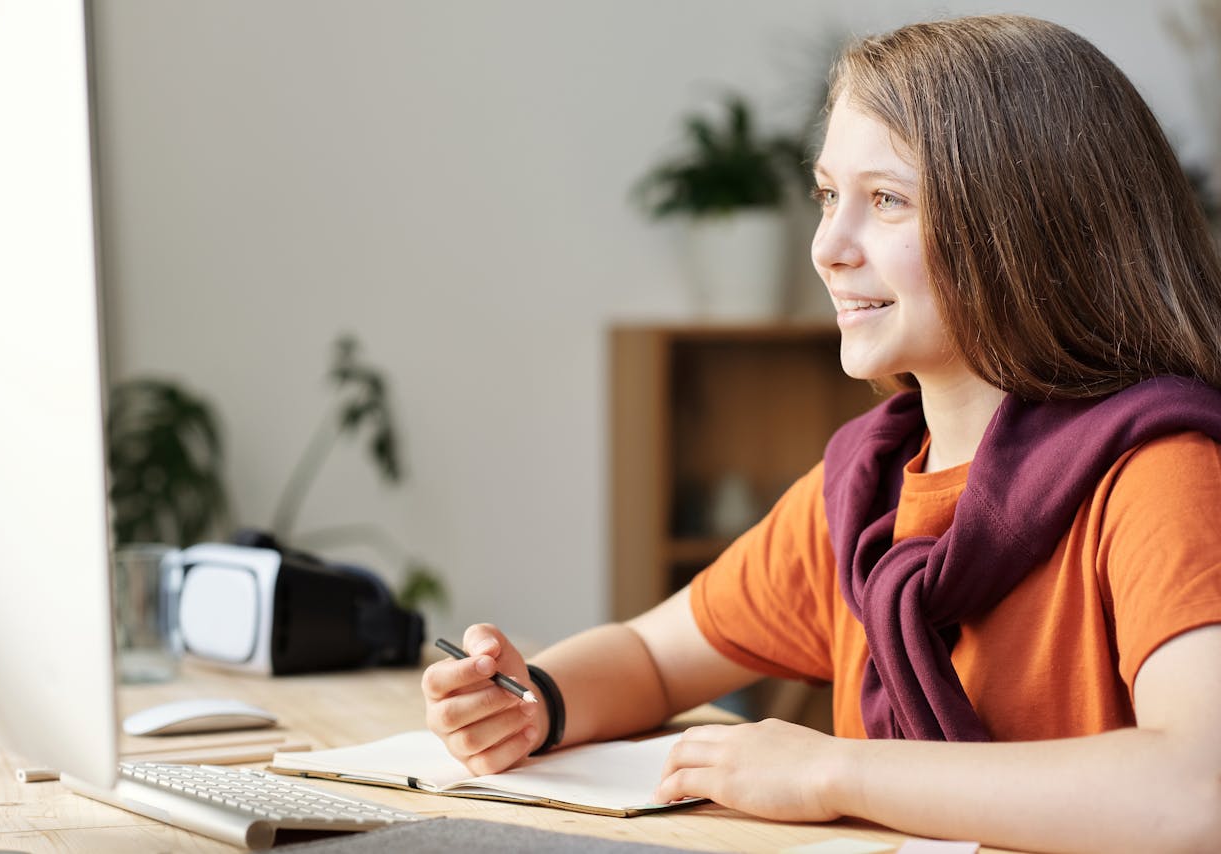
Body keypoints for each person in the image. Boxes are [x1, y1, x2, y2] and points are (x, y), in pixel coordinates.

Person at [422, 14, 1221, 853]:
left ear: (1027, 225)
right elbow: (652, 659)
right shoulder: (864, 494)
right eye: (828, 196)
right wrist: (532, 702)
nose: (828, 247)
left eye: (886, 200)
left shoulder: (1164, 477)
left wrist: (831, 773)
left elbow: (1199, 791)